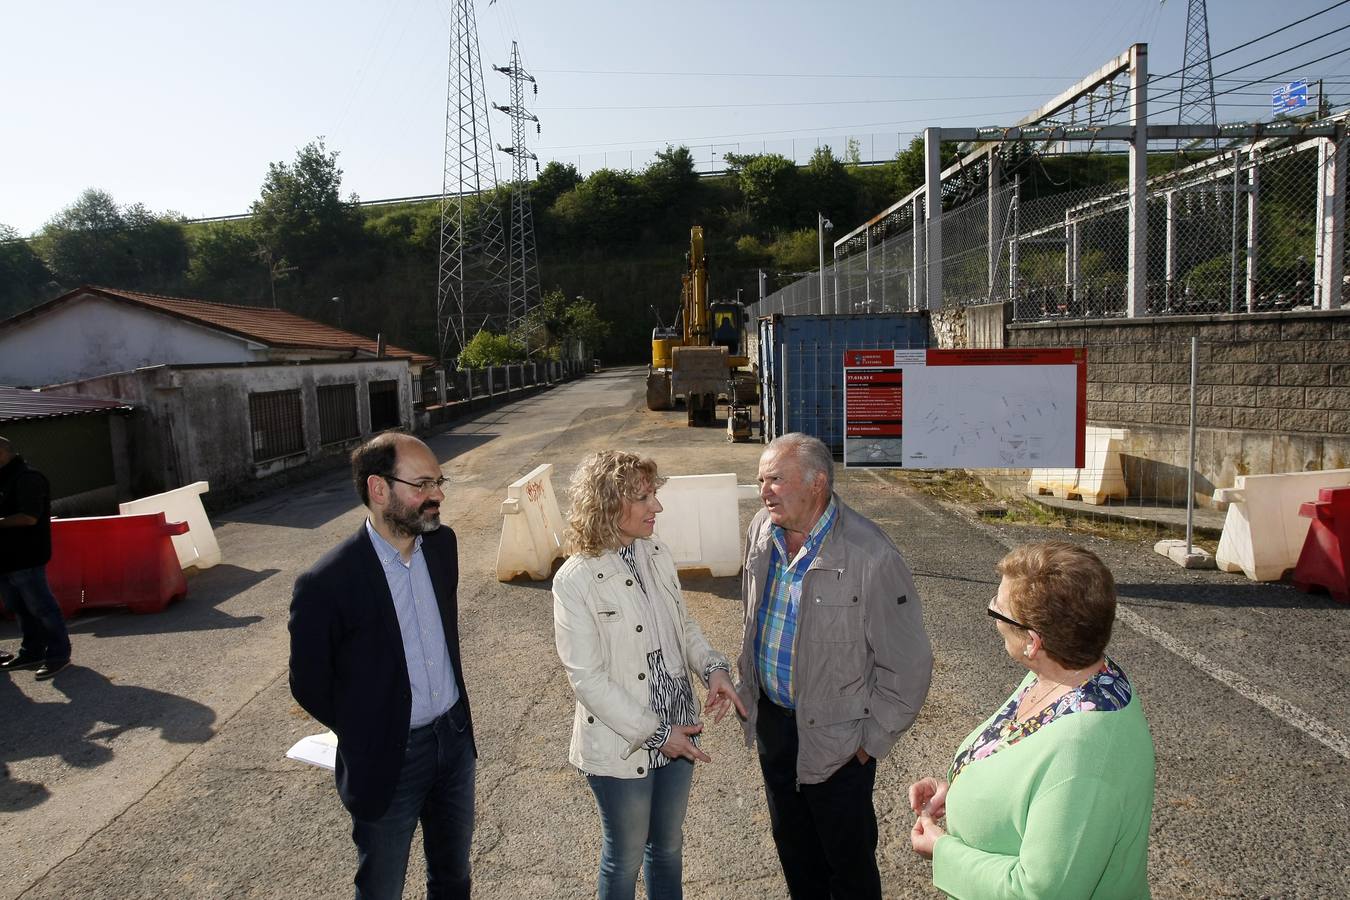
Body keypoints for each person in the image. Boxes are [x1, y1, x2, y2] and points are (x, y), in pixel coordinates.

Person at [736, 432, 933, 900]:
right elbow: (752, 618)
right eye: (761, 480)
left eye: (776, 480)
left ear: (817, 482)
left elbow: (908, 664)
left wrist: (869, 743)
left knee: (847, 864)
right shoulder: (762, 532)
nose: (764, 491)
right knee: (794, 850)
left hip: (840, 742)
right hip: (776, 729)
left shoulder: (872, 555)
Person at [908, 541, 1155, 899]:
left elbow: (1039, 892)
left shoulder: (1084, 756)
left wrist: (943, 849)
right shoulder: (1064, 676)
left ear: (1033, 642)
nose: (992, 609)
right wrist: (960, 791)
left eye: (998, 609)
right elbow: (1017, 755)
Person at [553, 450, 747, 900]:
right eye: (642, 497)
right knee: (625, 857)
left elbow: (683, 627)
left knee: (669, 848)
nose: (656, 507)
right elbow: (587, 679)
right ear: (606, 503)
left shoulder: (655, 551)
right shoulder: (574, 580)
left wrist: (713, 668)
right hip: (627, 740)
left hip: (681, 726)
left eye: (653, 495)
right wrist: (658, 734)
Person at [289, 432, 476, 900]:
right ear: (378, 489)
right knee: (380, 887)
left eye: (439, 481)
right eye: (421, 484)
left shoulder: (441, 546)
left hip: (453, 740)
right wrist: (371, 725)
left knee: (453, 878)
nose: (437, 495)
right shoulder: (327, 582)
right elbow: (309, 684)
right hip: (389, 757)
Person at [0, 436, 72, 680]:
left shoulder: (27, 478)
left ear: (3, 452)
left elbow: (29, 517)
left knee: (42, 607)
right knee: (19, 608)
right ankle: (32, 652)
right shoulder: (5, 478)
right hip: (6, 558)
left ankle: (58, 655)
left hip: (26, 556)